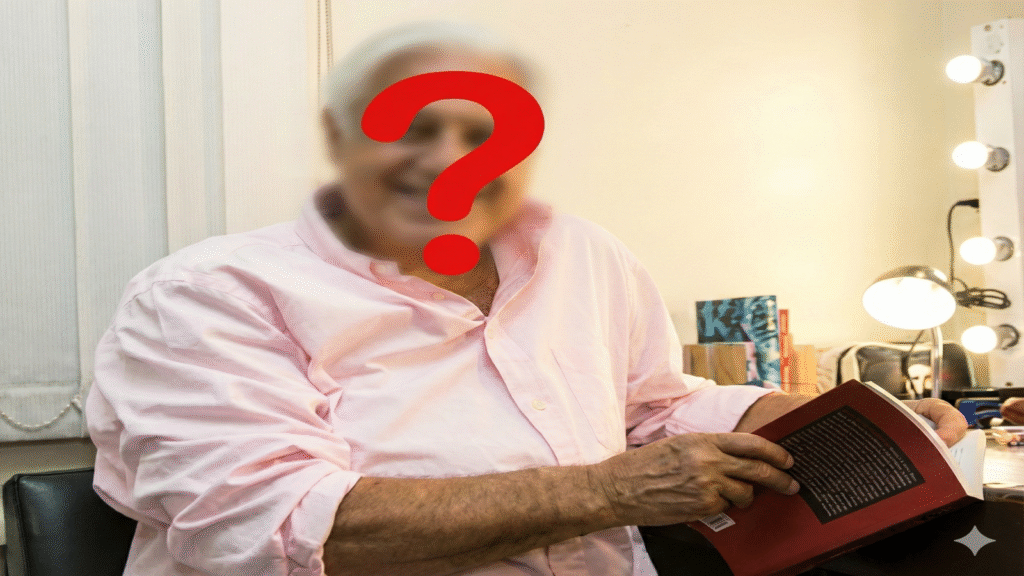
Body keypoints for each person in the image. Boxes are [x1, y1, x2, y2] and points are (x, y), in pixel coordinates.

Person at [85, 22, 968, 576]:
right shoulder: (205, 296)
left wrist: (827, 420)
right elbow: (281, 530)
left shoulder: (583, 254)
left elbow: (651, 410)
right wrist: (609, 493)